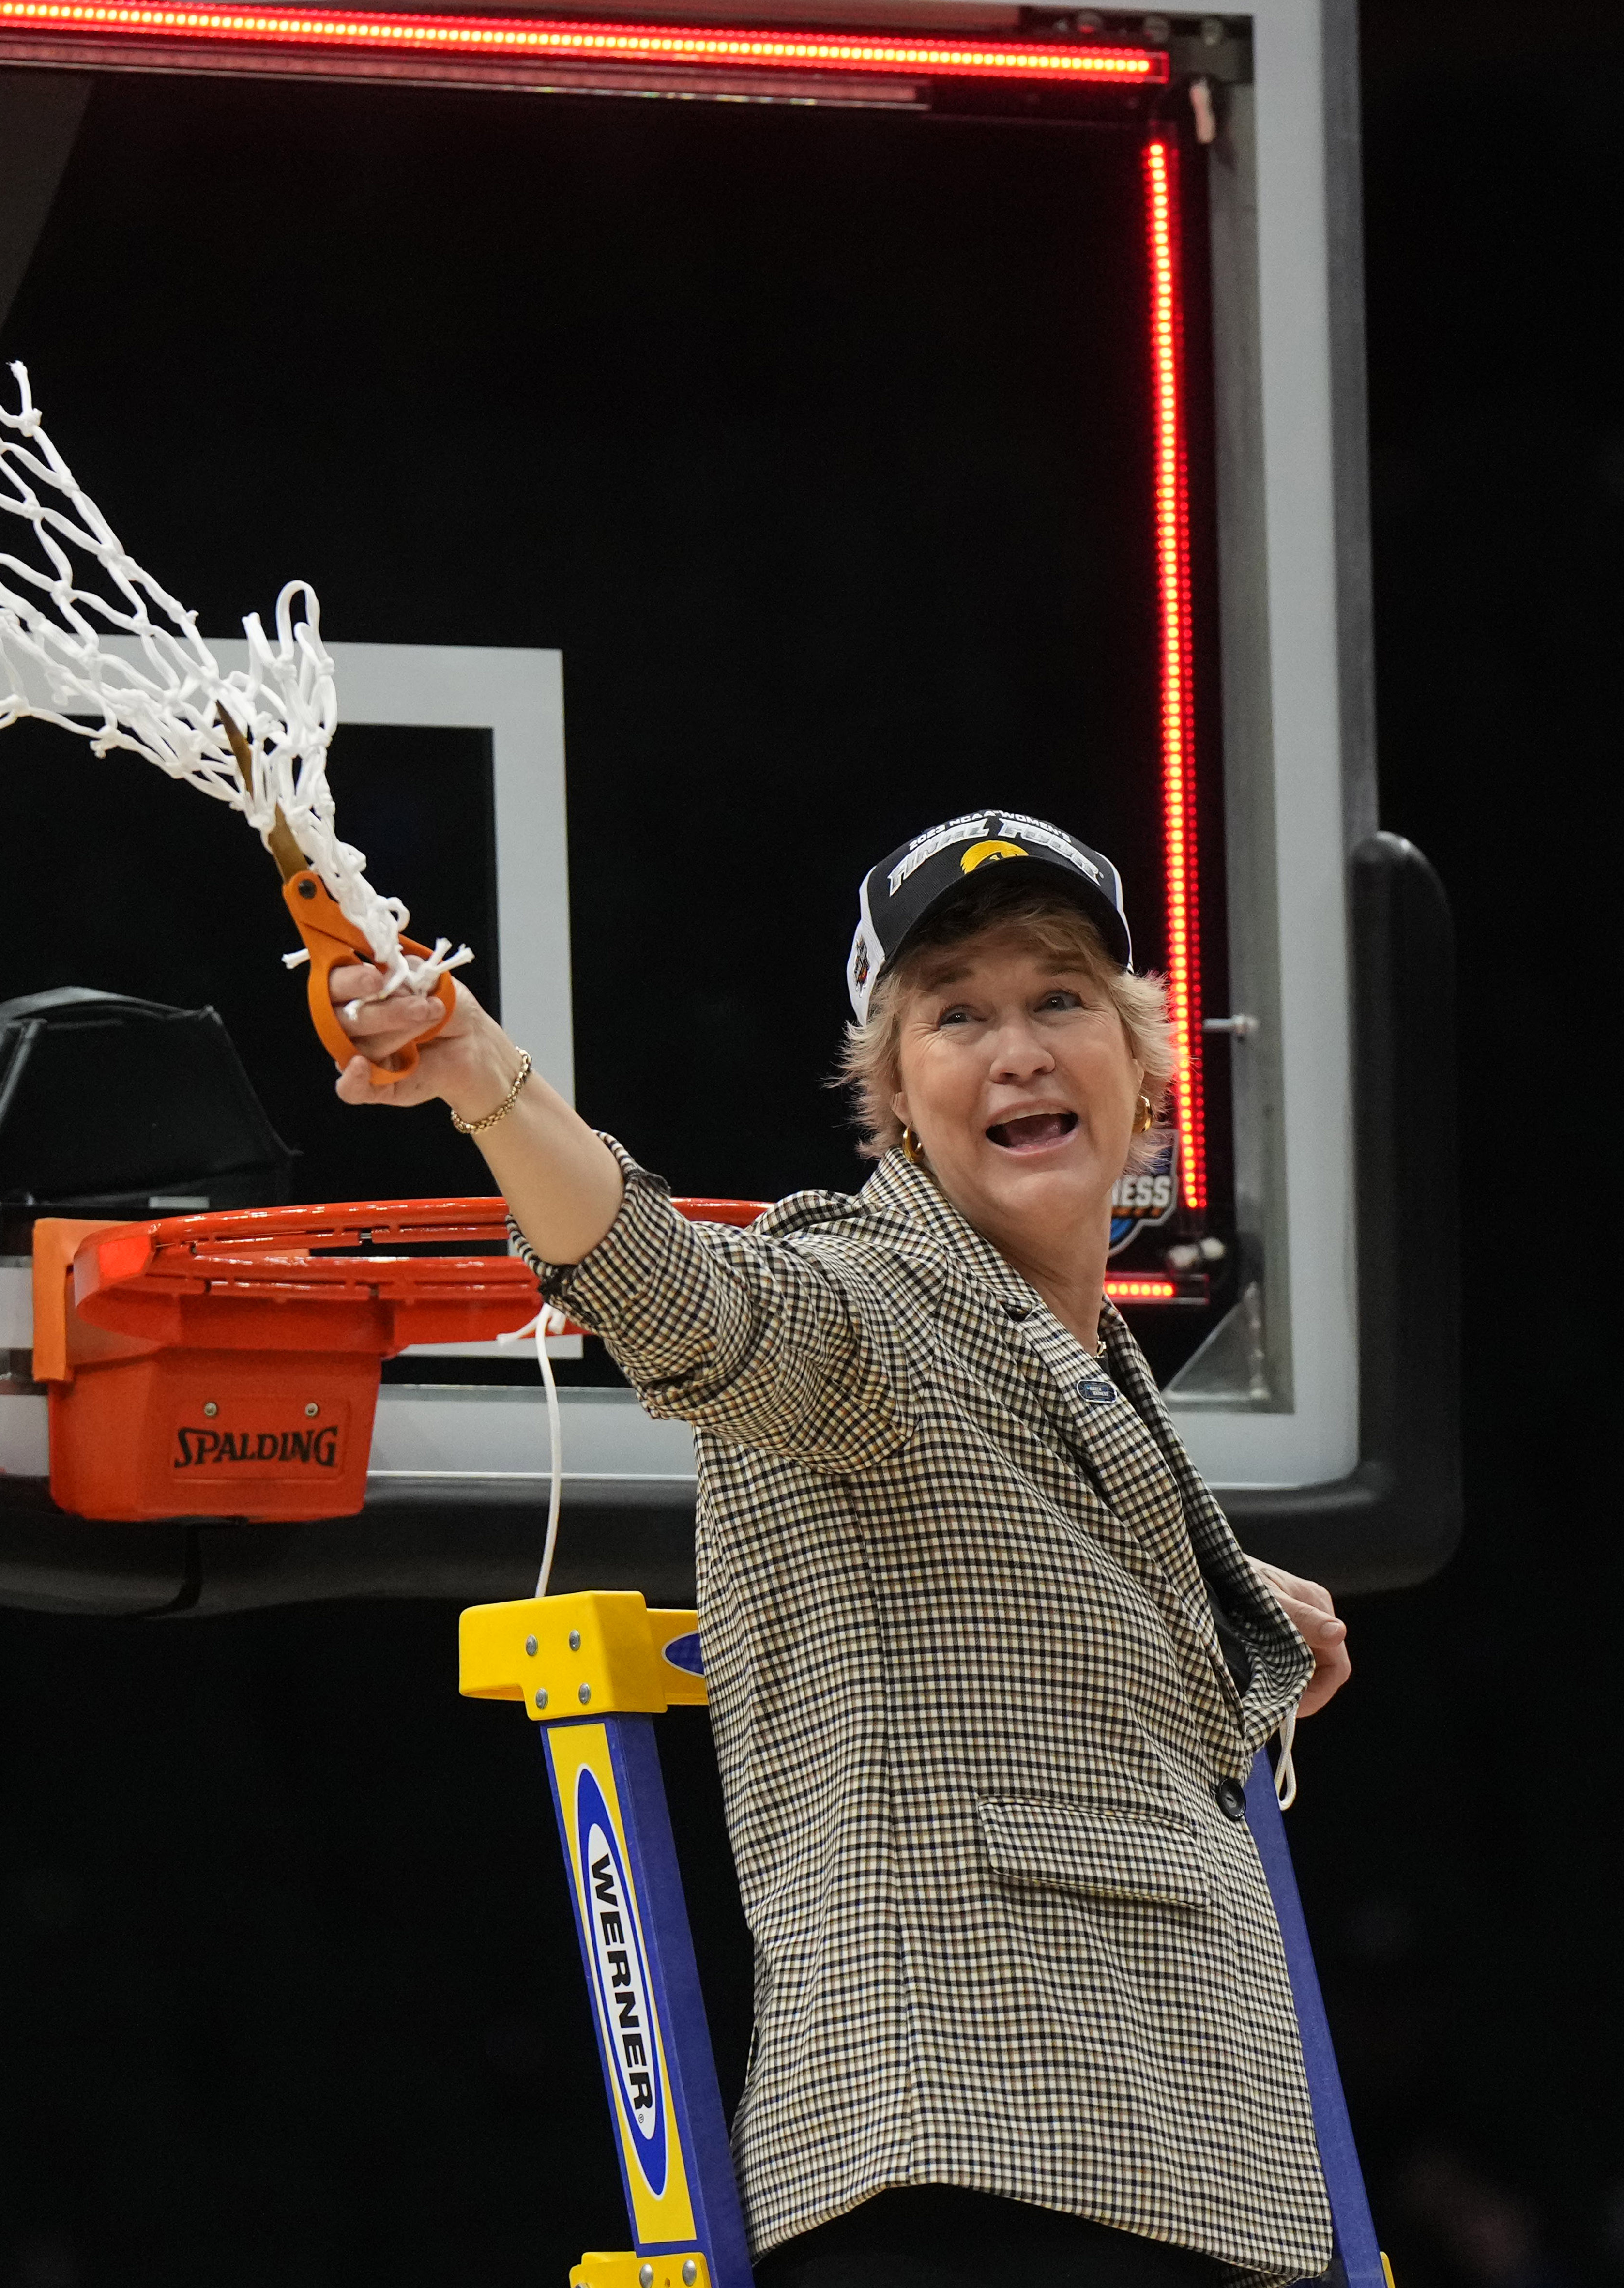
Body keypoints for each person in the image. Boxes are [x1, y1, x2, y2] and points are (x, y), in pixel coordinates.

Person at [332, 810, 1353, 2288]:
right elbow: (674, 1293)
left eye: (1059, 999)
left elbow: (1013, 1564)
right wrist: (487, 1082)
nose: (1015, 1047)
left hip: (1192, 2170)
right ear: (894, 1105)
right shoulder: (865, 1305)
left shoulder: (1086, 1373)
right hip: (974, 2165)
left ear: (1144, 1083)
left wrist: (1216, 1598)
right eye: (956, 1016)